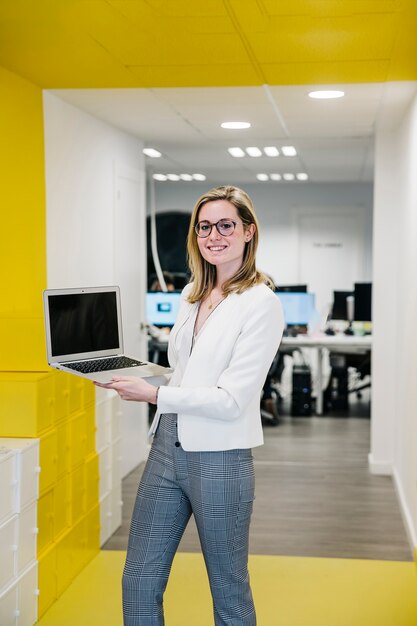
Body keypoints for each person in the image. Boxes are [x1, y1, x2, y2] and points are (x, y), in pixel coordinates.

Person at [96, 185, 284, 626]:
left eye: (225, 225)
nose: (213, 235)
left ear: (248, 232)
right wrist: (142, 375)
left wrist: (154, 394)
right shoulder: (191, 294)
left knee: (228, 589)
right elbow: (186, 369)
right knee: (138, 580)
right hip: (166, 448)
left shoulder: (261, 304)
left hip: (219, 458)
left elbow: (232, 400)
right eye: (204, 227)